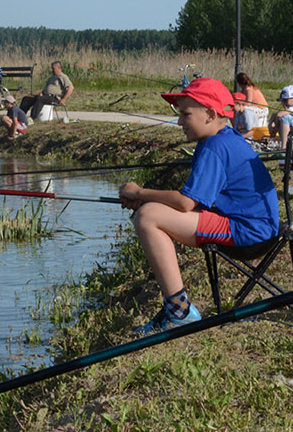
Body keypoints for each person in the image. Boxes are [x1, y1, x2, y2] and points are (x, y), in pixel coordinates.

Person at [119, 77, 279, 335]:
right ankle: (177, 308)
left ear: (210, 114)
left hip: (248, 232)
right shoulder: (224, 138)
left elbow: (185, 202)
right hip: (256, 226)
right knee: (149, 209)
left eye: (185, 114)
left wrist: (139, 192)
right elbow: (192, 199)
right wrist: (145, 198)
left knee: (147, 217)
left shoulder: (215, 146)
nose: (180, 121)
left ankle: (178, 311)